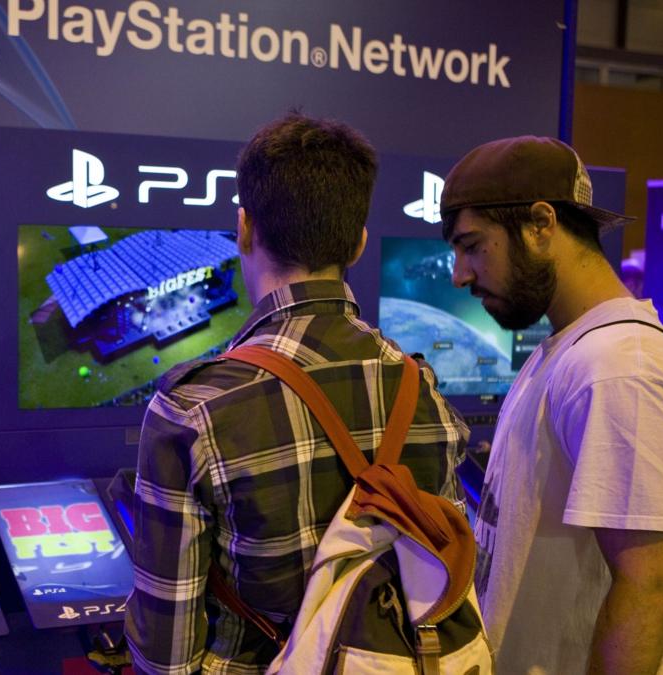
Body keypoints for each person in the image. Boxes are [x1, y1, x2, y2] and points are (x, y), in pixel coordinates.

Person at [124, 112, 468, 674]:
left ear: (244, 229)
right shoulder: (422, 388)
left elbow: (165, 655)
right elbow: (443, 577)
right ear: (358, 244)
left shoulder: (193, 409)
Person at [440, 135, 663, 674]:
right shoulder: (573, 348)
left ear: (541, 224)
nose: (460, 274)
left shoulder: (620, 364)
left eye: (472, 245)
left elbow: (647, 586)